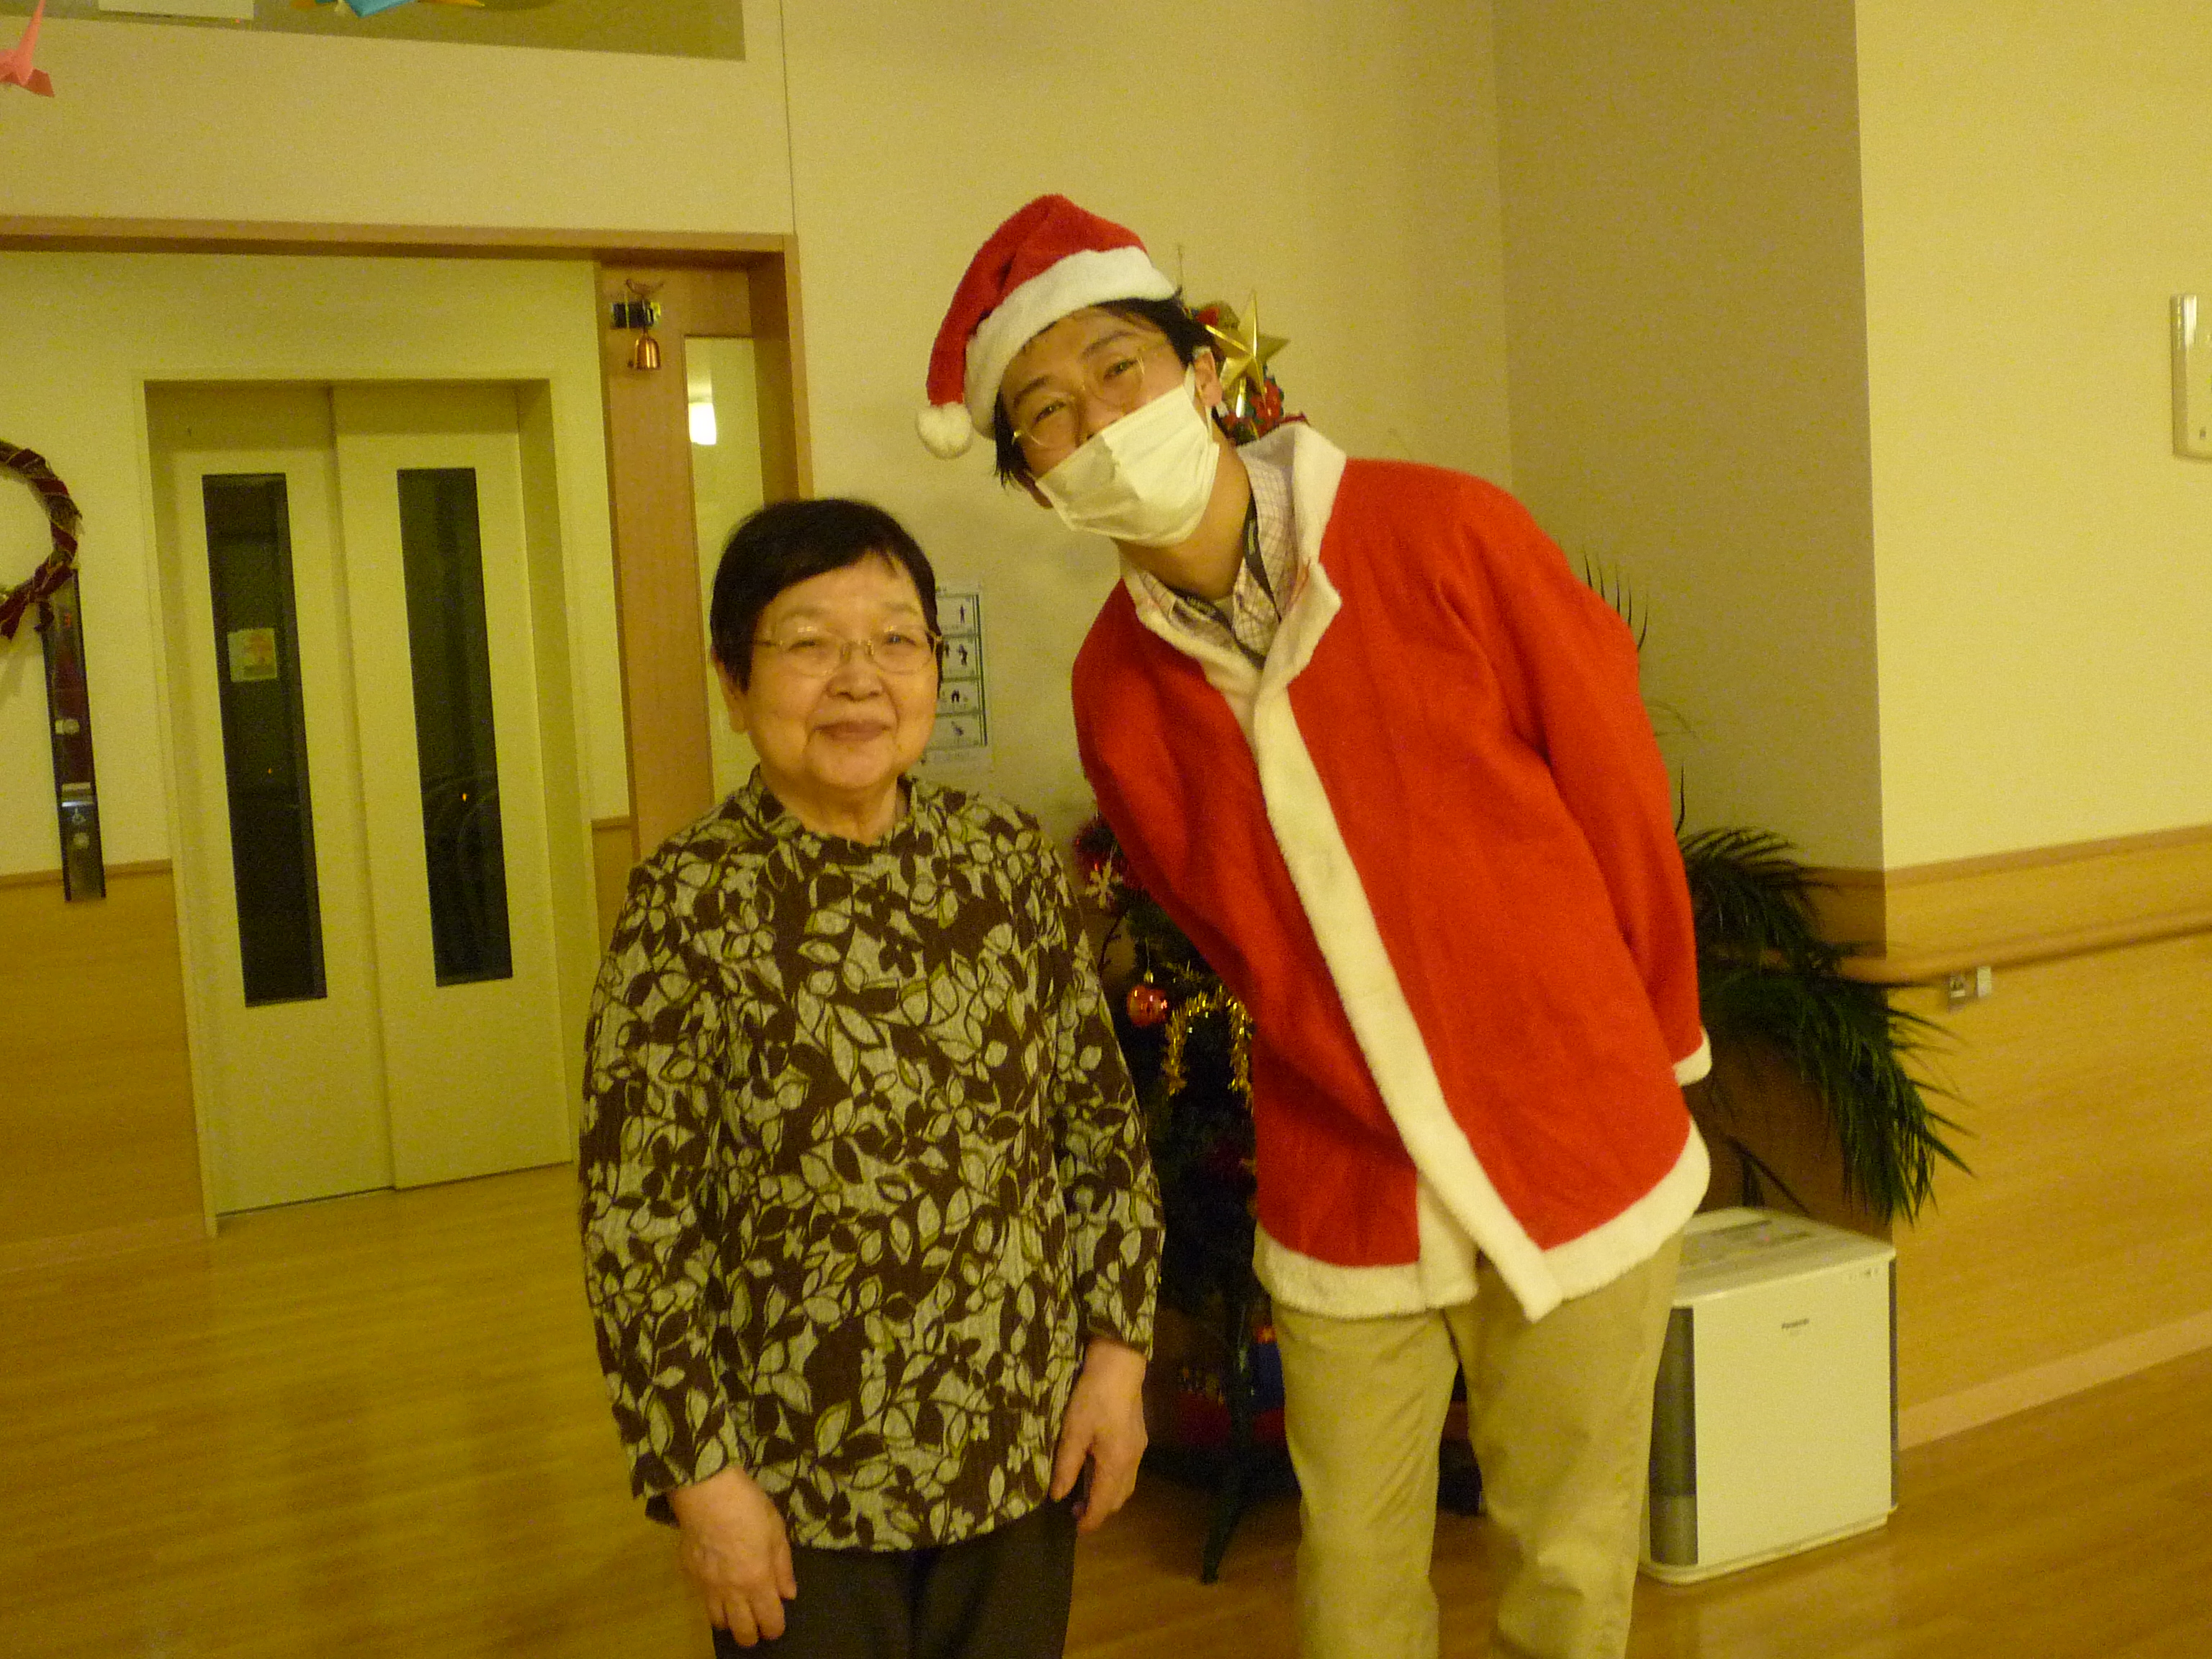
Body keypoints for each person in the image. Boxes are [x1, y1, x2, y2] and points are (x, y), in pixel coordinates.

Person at [917, 197, 1712, 1659]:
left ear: (1201, 369)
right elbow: (1225, 934)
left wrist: (1650, 1044)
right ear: (1037, 483)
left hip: (1575, 1124)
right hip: (1342, 1174)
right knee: (1350, 1588)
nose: (1096, 423)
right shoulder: (1115, 693)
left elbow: (1619, 791)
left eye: (1117, 370)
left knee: (1571, 1566)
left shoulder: (1446, 531)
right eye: (1046, 414)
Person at [579, 497, 1162, 1657]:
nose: (859, 679)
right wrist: (702, 1481)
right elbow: (637, 1224)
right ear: (735, 682)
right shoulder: (687, 906)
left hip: (1017, 1446)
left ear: (934, 668)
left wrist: (1117, 1358)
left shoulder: (1004, 864)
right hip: (798, 1484)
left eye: (897, 639)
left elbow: (1098, 1134)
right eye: (808, 643)